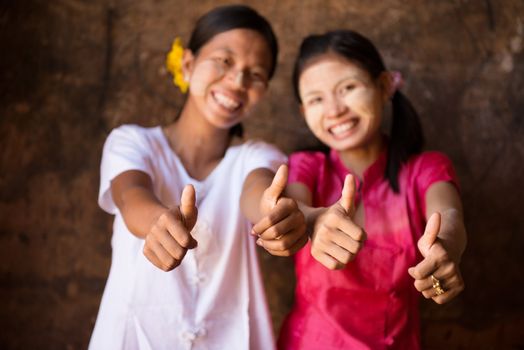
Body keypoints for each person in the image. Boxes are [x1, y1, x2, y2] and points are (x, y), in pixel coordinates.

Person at [89, 5, 307, 350]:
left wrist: (274, 215)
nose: (237, 82)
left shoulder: (256, 156)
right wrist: (158, 221)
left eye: (255, 74)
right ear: (187, 65)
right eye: (224, 61)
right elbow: (131, 197)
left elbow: (258, 192)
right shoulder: (131, 142)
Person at [277, 30, 467, 349]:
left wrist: (448, 247)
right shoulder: (305, 166)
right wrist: (310, 219)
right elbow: (296, 206)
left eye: (348, 88)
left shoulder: (425, 169)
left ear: (383, 87)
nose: (334, 109)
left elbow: (447, 214)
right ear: (303, 112)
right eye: (316, 99)